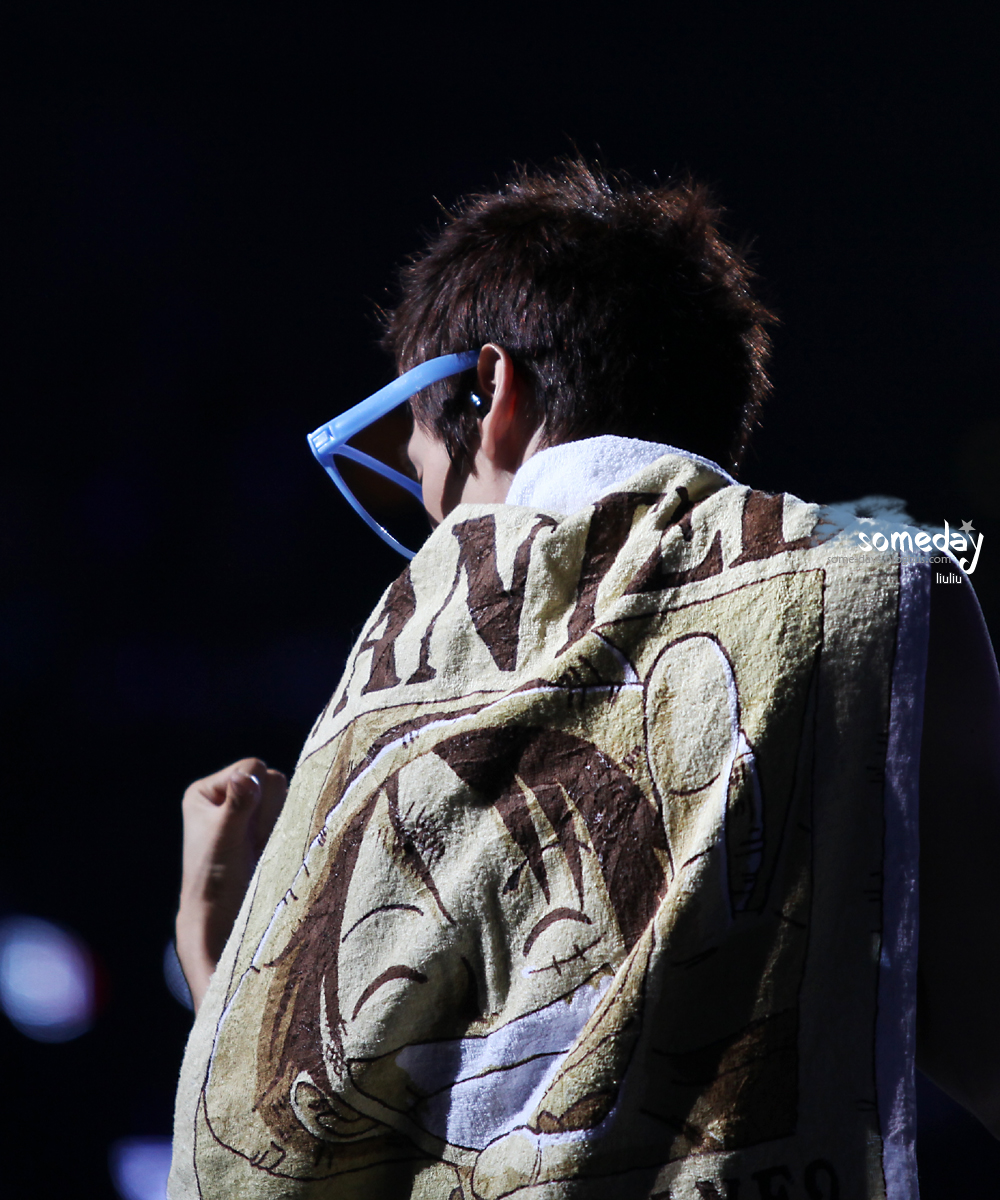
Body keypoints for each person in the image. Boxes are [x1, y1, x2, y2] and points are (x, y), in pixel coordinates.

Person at [169, 160, 1000, 1200]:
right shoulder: (878, 585)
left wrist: (222, 966)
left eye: (426, 471)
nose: (438, 528)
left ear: (490, 391)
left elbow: (268, 1164)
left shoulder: (398, 652)